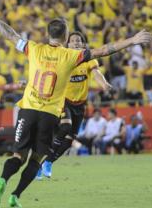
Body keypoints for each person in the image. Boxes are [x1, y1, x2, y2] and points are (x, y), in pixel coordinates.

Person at [0, 0, 152, 208]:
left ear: (48, 34)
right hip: (50, 114)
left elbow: (9, 33)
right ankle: (15, 196)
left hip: (28, 110)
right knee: (37, 159)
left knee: (18, 155)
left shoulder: (33, 48)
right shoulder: (71, 56)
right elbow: (104, 50)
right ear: (66, 36)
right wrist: (132, 40)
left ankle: (2, 181)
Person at [39, 31, 112, 179]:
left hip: (80, 104)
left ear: (84, 44)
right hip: (63, 101)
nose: (76, 43)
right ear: (68, 44)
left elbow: (96, 72)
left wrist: (104, 84)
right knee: (65, 126)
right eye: (73, 41)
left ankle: (47, 162)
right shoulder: (64, 58)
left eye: (79, 41)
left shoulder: (88, 58)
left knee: (69, 140)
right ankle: (43, 160)